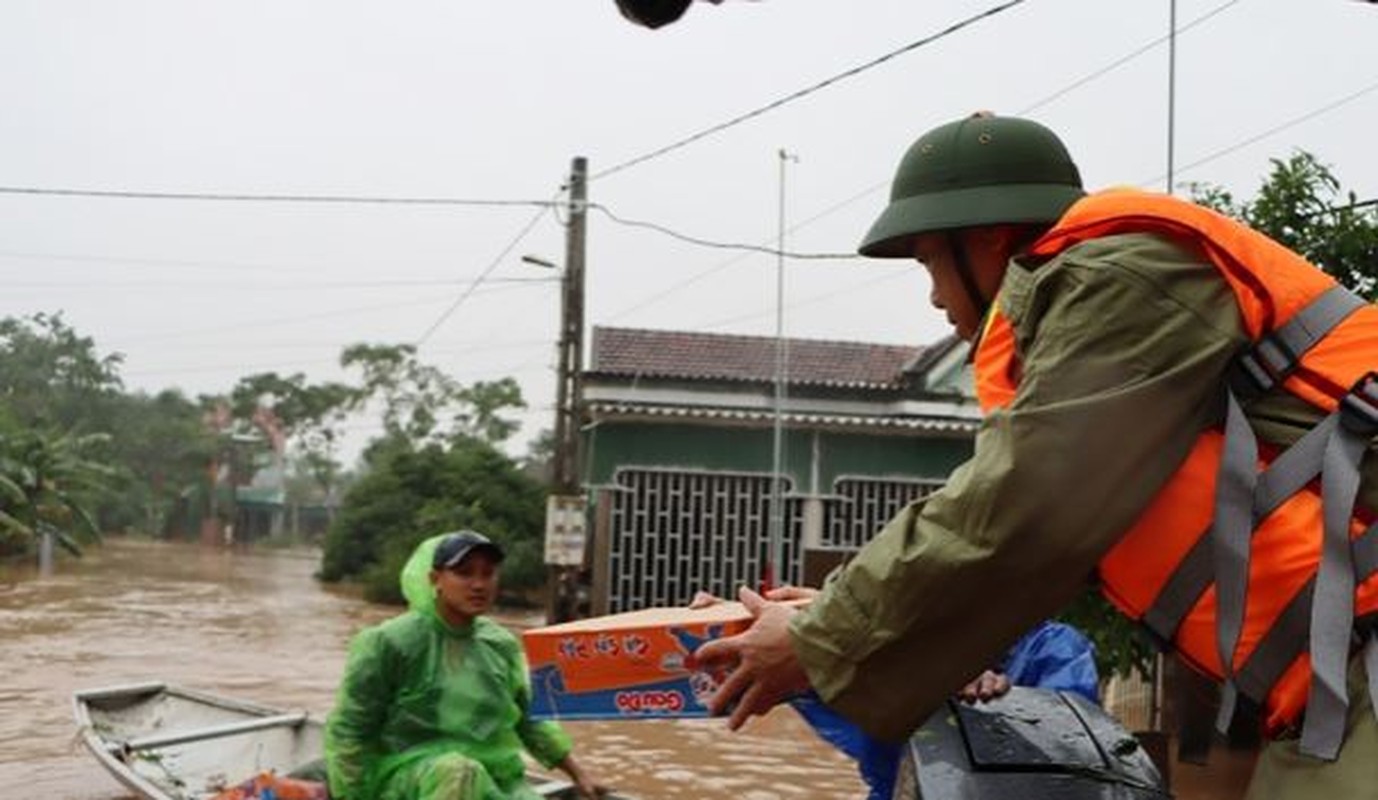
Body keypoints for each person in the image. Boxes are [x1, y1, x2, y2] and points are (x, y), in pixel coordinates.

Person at [693, 112, 1378, 799]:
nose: (933, 294)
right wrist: (837, 611)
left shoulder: (1123, 278)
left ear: (988, 238)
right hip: (1325, 692)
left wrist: (822, 635)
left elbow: (1026, 502)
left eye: (931, 259)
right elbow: (1021, 549)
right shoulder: (1088, 317)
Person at [693, 587, 1098, 799]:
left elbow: (1068, 758)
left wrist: (984, 697)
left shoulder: (1054, 650)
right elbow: (796, 668)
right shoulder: (897, 643)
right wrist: (728, 627)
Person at [325, 531, 601, 800]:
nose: (479, 585)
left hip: (489, 778)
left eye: (488, 573)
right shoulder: (390, 643)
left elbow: (529, 720)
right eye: (465, 572)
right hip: (403, 779)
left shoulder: (499, 645)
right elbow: (350, 732)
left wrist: (579, 774)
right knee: (457, 772)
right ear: (436, 580)